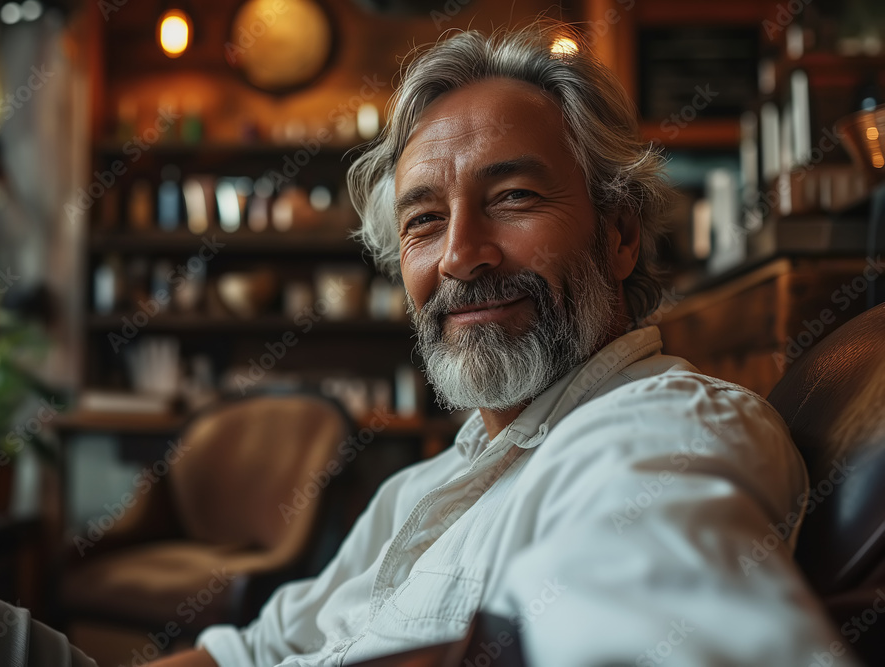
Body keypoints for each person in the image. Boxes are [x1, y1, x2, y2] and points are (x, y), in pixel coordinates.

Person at [152, 23, 858, 667]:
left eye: (513, 196)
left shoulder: (654, 431)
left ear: (619, 235)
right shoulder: (417, 488)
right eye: (424, 219)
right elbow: (250, 650)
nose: (461, 256)